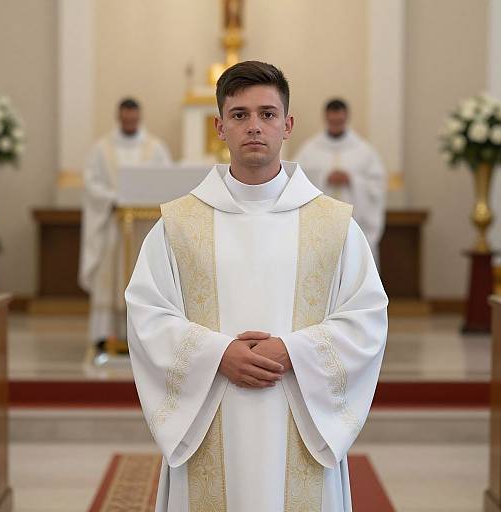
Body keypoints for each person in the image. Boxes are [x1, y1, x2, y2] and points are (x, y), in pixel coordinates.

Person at [126, 62, 388, 511]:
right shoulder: (179, 225)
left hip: (298, 415)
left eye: (267, 114)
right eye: (240, 115)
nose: (254, 127)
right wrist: (217, 354)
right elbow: (147, 313)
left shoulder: (334, 225)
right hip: (211, 415)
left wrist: (293, 352)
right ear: (219, 126)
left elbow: (366, 317)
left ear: (287, 125)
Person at [79, 97, 172, 356]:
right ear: (119, 117)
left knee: (143, 274)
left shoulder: (155, 148)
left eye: (133, 117)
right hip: (113, 226)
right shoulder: (101, 148)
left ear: (139, 117)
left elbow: (166, 181)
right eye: (125, 117)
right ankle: (104, 334)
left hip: (144, 227)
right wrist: (112, 198)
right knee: (109, 275)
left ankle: (144, 334)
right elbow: (91, 183)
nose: (129, 121)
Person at [295, 98, 386, 263]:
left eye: (339, 120)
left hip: (355, 223)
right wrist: (323, 177)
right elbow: (297, 181)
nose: (336, 124)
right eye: (332, 120)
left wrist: (352, 180)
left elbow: (377, 185)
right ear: (326, 118)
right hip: (321, 227)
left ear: (346, 118)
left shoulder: (364, 151)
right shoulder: (309, 150)